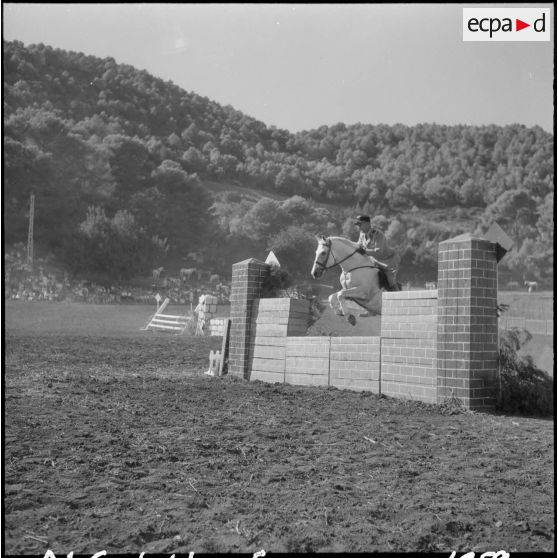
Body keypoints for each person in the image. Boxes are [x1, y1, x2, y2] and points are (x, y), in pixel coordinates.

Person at [354, 215, 400, 291]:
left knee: (390, 280)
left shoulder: (378, 234)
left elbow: (379, 252)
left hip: (387, 261)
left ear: (367, 224)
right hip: (373, 260)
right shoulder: (362, 234)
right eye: (358, 225)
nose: (358, 227)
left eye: (360, 224)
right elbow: (358, 245)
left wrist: (364, 251)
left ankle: (397, 295)